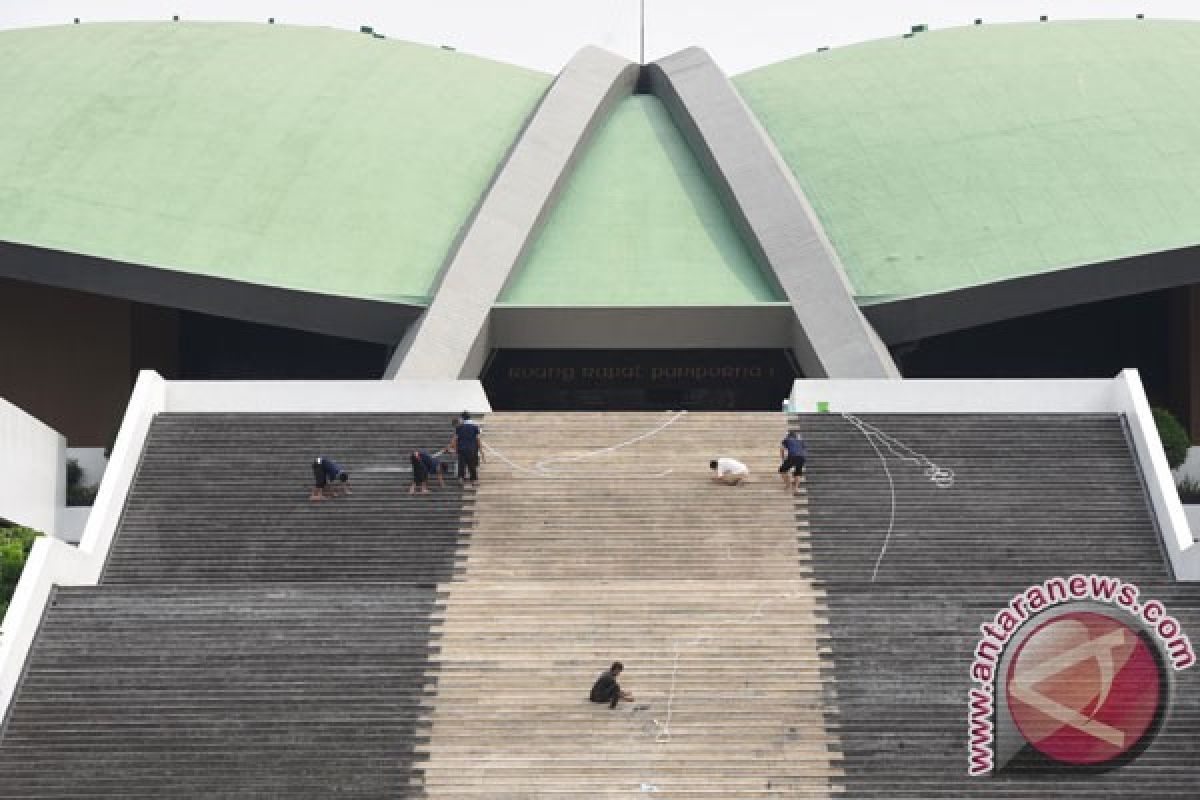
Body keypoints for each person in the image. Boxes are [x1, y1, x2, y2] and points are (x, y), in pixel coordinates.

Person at [449, 413, 483, 488]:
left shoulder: (459, 428)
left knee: (462, 465)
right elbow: (478, 439)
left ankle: (461, 479)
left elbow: (455, 439)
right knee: (472, 465)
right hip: (472, 449)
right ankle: (474, 480)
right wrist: (481, 450)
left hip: (462, 449)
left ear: (462, 419)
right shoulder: (474, 427)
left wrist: (454, 449)